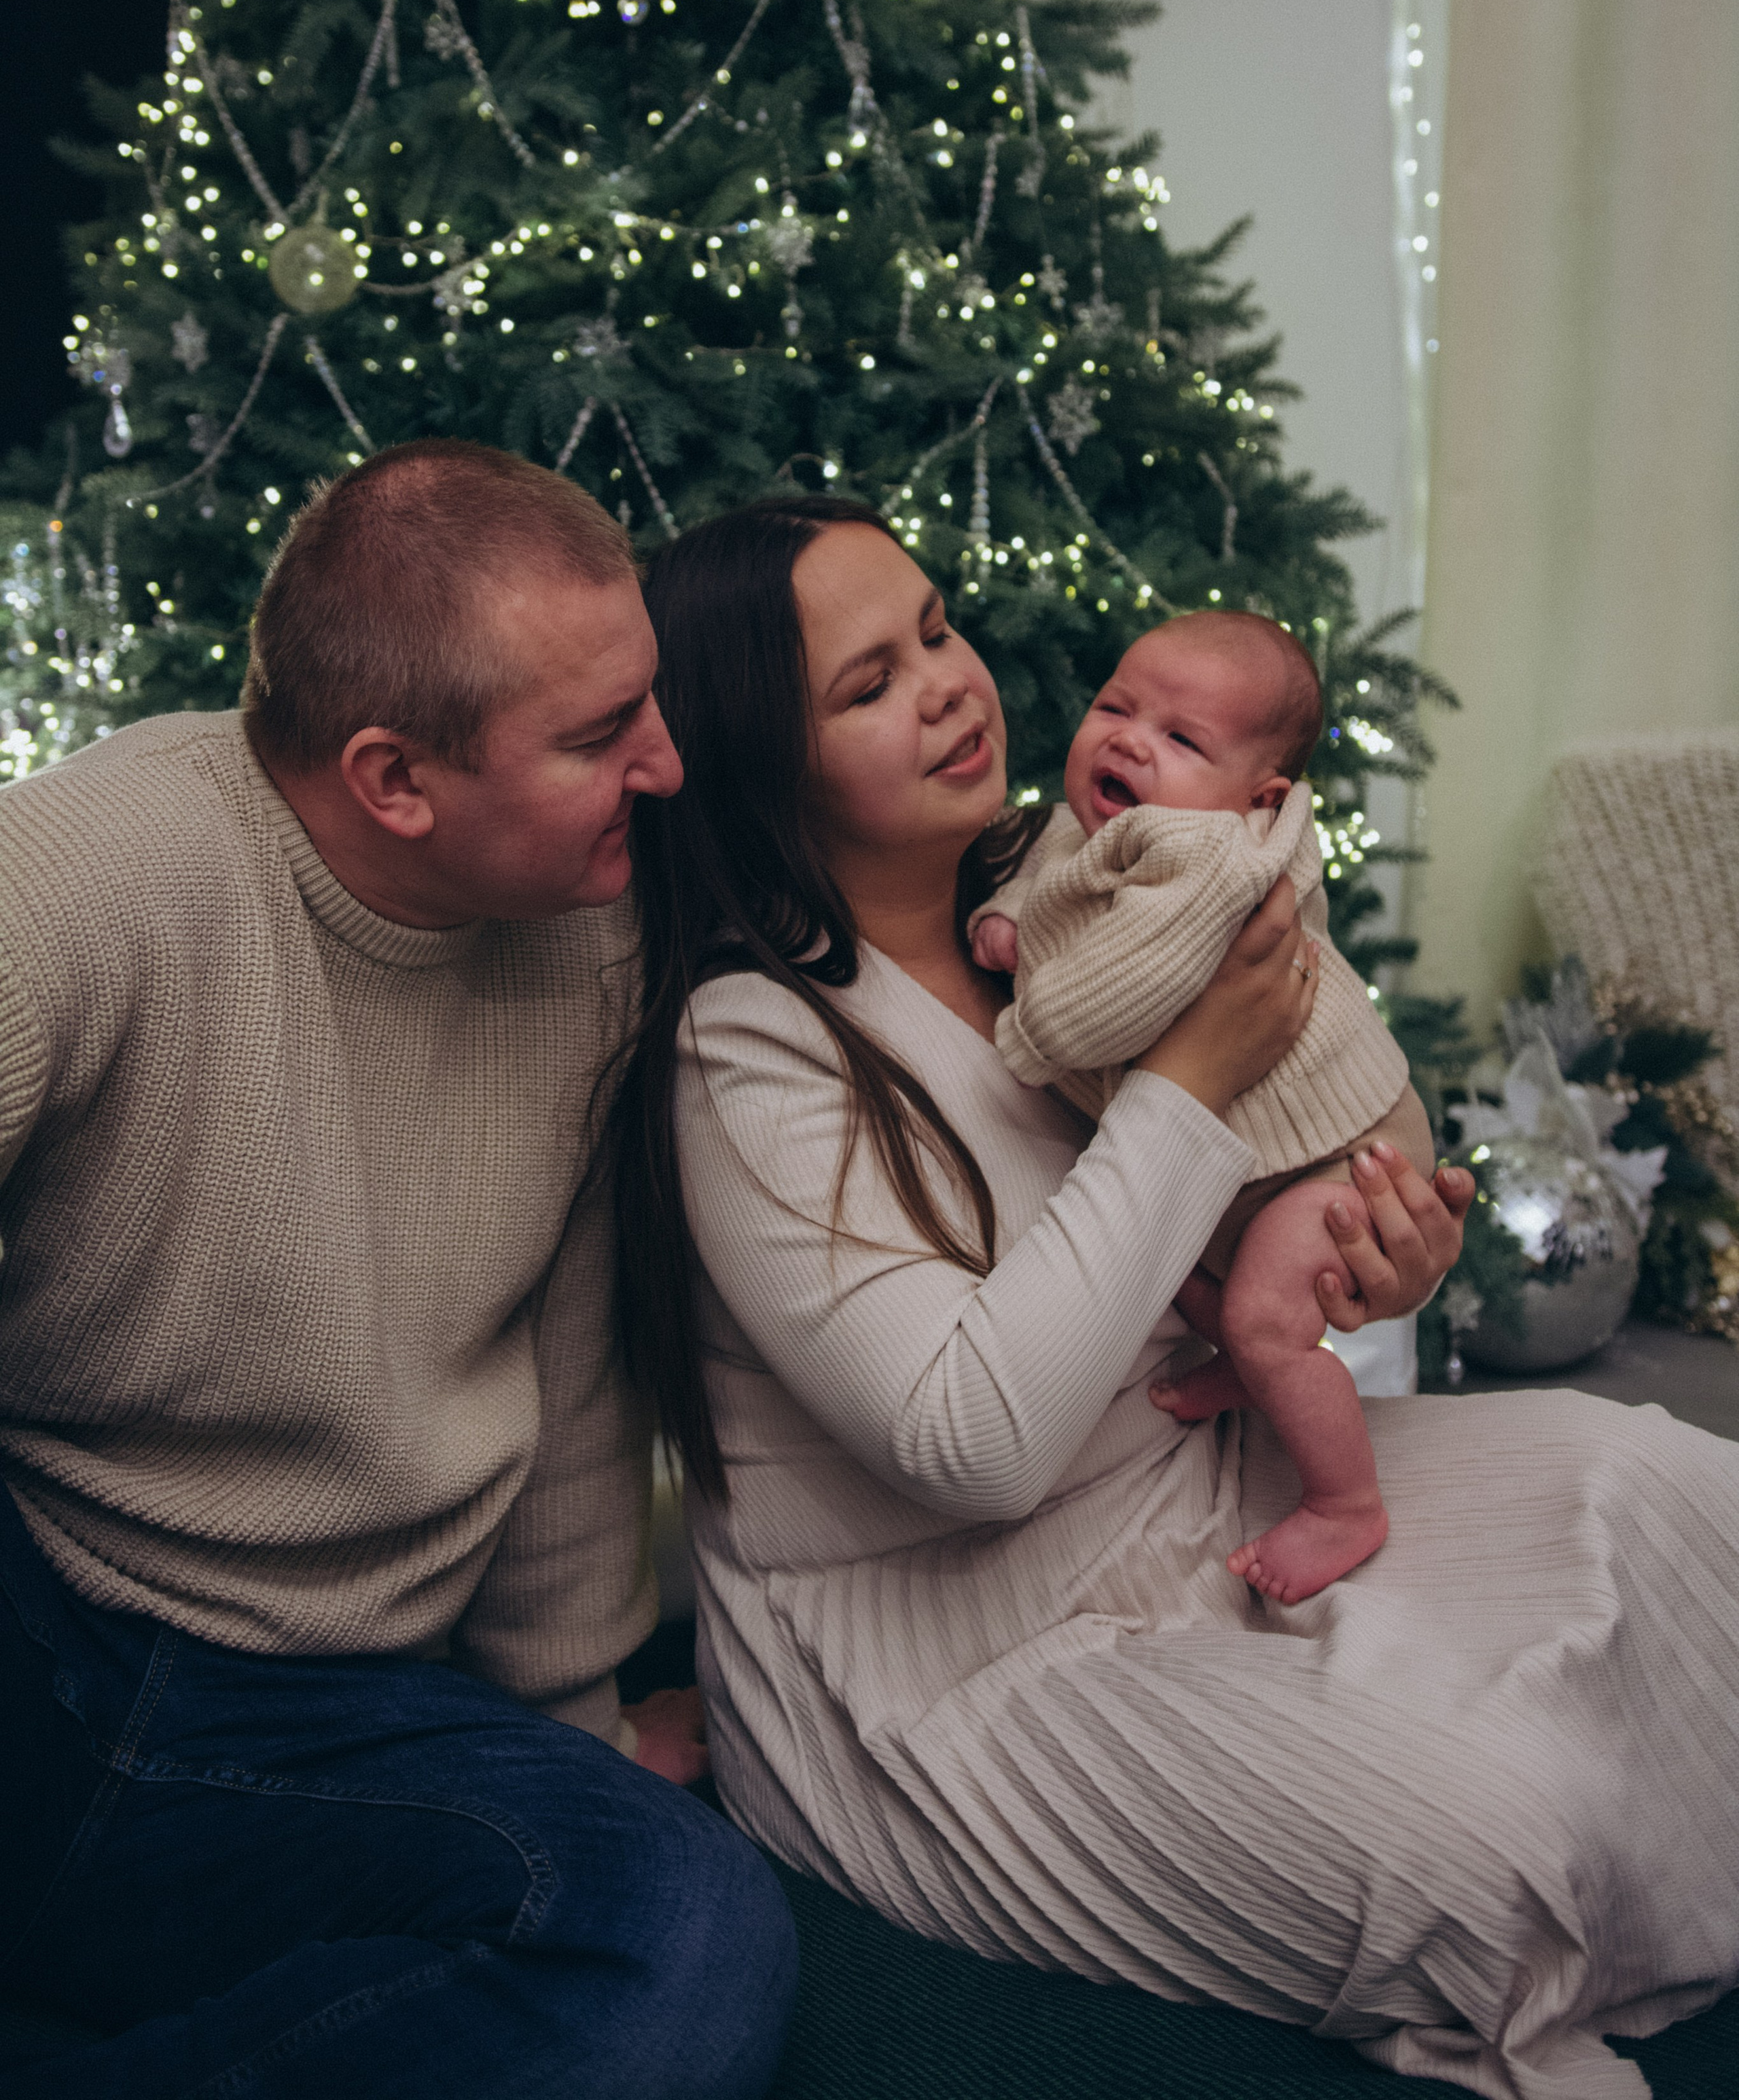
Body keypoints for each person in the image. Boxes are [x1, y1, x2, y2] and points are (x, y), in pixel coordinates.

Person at [613, 493, 1739, 2100]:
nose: (947, 683)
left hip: (1195, 1484)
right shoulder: (752, 1046)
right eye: (867, 685)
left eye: (934, 629)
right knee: (1503, 1841)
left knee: (1677, 1497)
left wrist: (1369, 1240)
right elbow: (972, 1446)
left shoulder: (1076, 884)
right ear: (754, 759)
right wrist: (1186, 1088)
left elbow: (1288, 1141)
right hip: (950, 1660)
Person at [0, 442, 795, 2099]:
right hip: (47, 1626)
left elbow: (569, 1372)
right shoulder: (95, 874)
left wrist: (575, 1727)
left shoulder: (593, 935)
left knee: (688, 1942)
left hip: (322, 1715)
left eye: (642, 702)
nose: (662, 765)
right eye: (594, 737)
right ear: (392, 778)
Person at [965, 611, 1437, 1601]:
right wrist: (1012, 912)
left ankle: (1345, 1503)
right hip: (1261, 1141)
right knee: (1186, 1275)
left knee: (1266, 1311)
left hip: (1338, 1148)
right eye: (1116, 707)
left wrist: (1029, 1026)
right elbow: (1060, 860)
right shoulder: (1113, 823)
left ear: (1255, 798)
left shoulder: (1214, 864)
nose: (1132, 740)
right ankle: (1252, 1358)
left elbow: (1107, 1008)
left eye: (1182, 740)